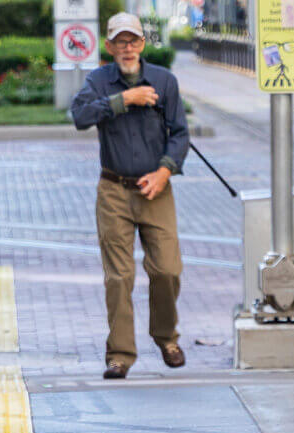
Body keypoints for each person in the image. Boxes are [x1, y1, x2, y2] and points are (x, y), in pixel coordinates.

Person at [69, 13, 191, 380]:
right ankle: (120, 354)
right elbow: (79, 115)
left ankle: (167, 338)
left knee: (167, 269)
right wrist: (123, 99)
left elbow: (181, 134)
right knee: (119, 277)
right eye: (120, 41)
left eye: (133, 40)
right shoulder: (99, 80)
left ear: (142, 43)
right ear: (109, 46)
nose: (127, 47)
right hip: (113, 190)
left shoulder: (165, 81)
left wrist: (165, 171)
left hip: (156, 188)